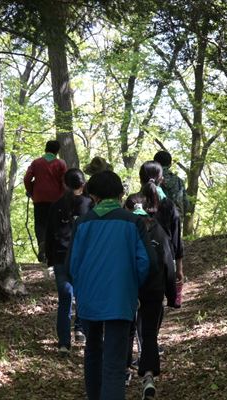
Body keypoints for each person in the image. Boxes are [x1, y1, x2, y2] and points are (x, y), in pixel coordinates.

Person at [67, 170, 157, 400]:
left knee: (93, 350)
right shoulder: (133, 222)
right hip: (120, 296)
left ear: (93, 196)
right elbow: (146, 262)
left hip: (89, 297)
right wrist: (133, 285)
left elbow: (71, 265)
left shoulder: (82, 224)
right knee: (115, 362)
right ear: (119, 194)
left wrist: (81, 286)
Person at [124, 193, 177, 399]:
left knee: (127, 331)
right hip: (154, 290)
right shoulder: (159, 231)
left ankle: (123, 372)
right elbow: (169, 266)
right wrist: (172, 296)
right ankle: (148, 377)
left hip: (128, 289)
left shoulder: (124, 230)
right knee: (149, 334)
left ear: (127, 209)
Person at [45, 169, 92, 354]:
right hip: (84, 258)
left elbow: (49, 234)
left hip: (60, 256)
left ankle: (64, 343)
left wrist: (49, 259)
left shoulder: (56, 205)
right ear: (83, 184)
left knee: (64, 299)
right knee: (83, 296)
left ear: (65, 184)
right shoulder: (90, 206)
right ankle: (81, 331)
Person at [139, 161, 184, 284]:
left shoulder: (132, 202)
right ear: (161, 179)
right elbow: (176, 238)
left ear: (140, 179)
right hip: (163, 261)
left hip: (136, 263)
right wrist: (179, 269)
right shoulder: (169, 205)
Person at [23, 140, 67, 262]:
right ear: (57, 151)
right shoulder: (61, 164)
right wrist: (63, 195)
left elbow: (27, 178)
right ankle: (52, 251)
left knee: (40, 224)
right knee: (55, 224)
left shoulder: (36, 163)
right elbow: (64, 182)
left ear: (45, 149)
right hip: (56, 200)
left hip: (39, 199)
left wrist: (32, 191)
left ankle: (42, 244)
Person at [153, 151, 190, 220]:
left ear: (154, 164)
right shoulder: (179, 181)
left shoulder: (151, 180)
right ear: (170, 165)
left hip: (154, 222)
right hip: (175, 221)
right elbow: (186, 206)